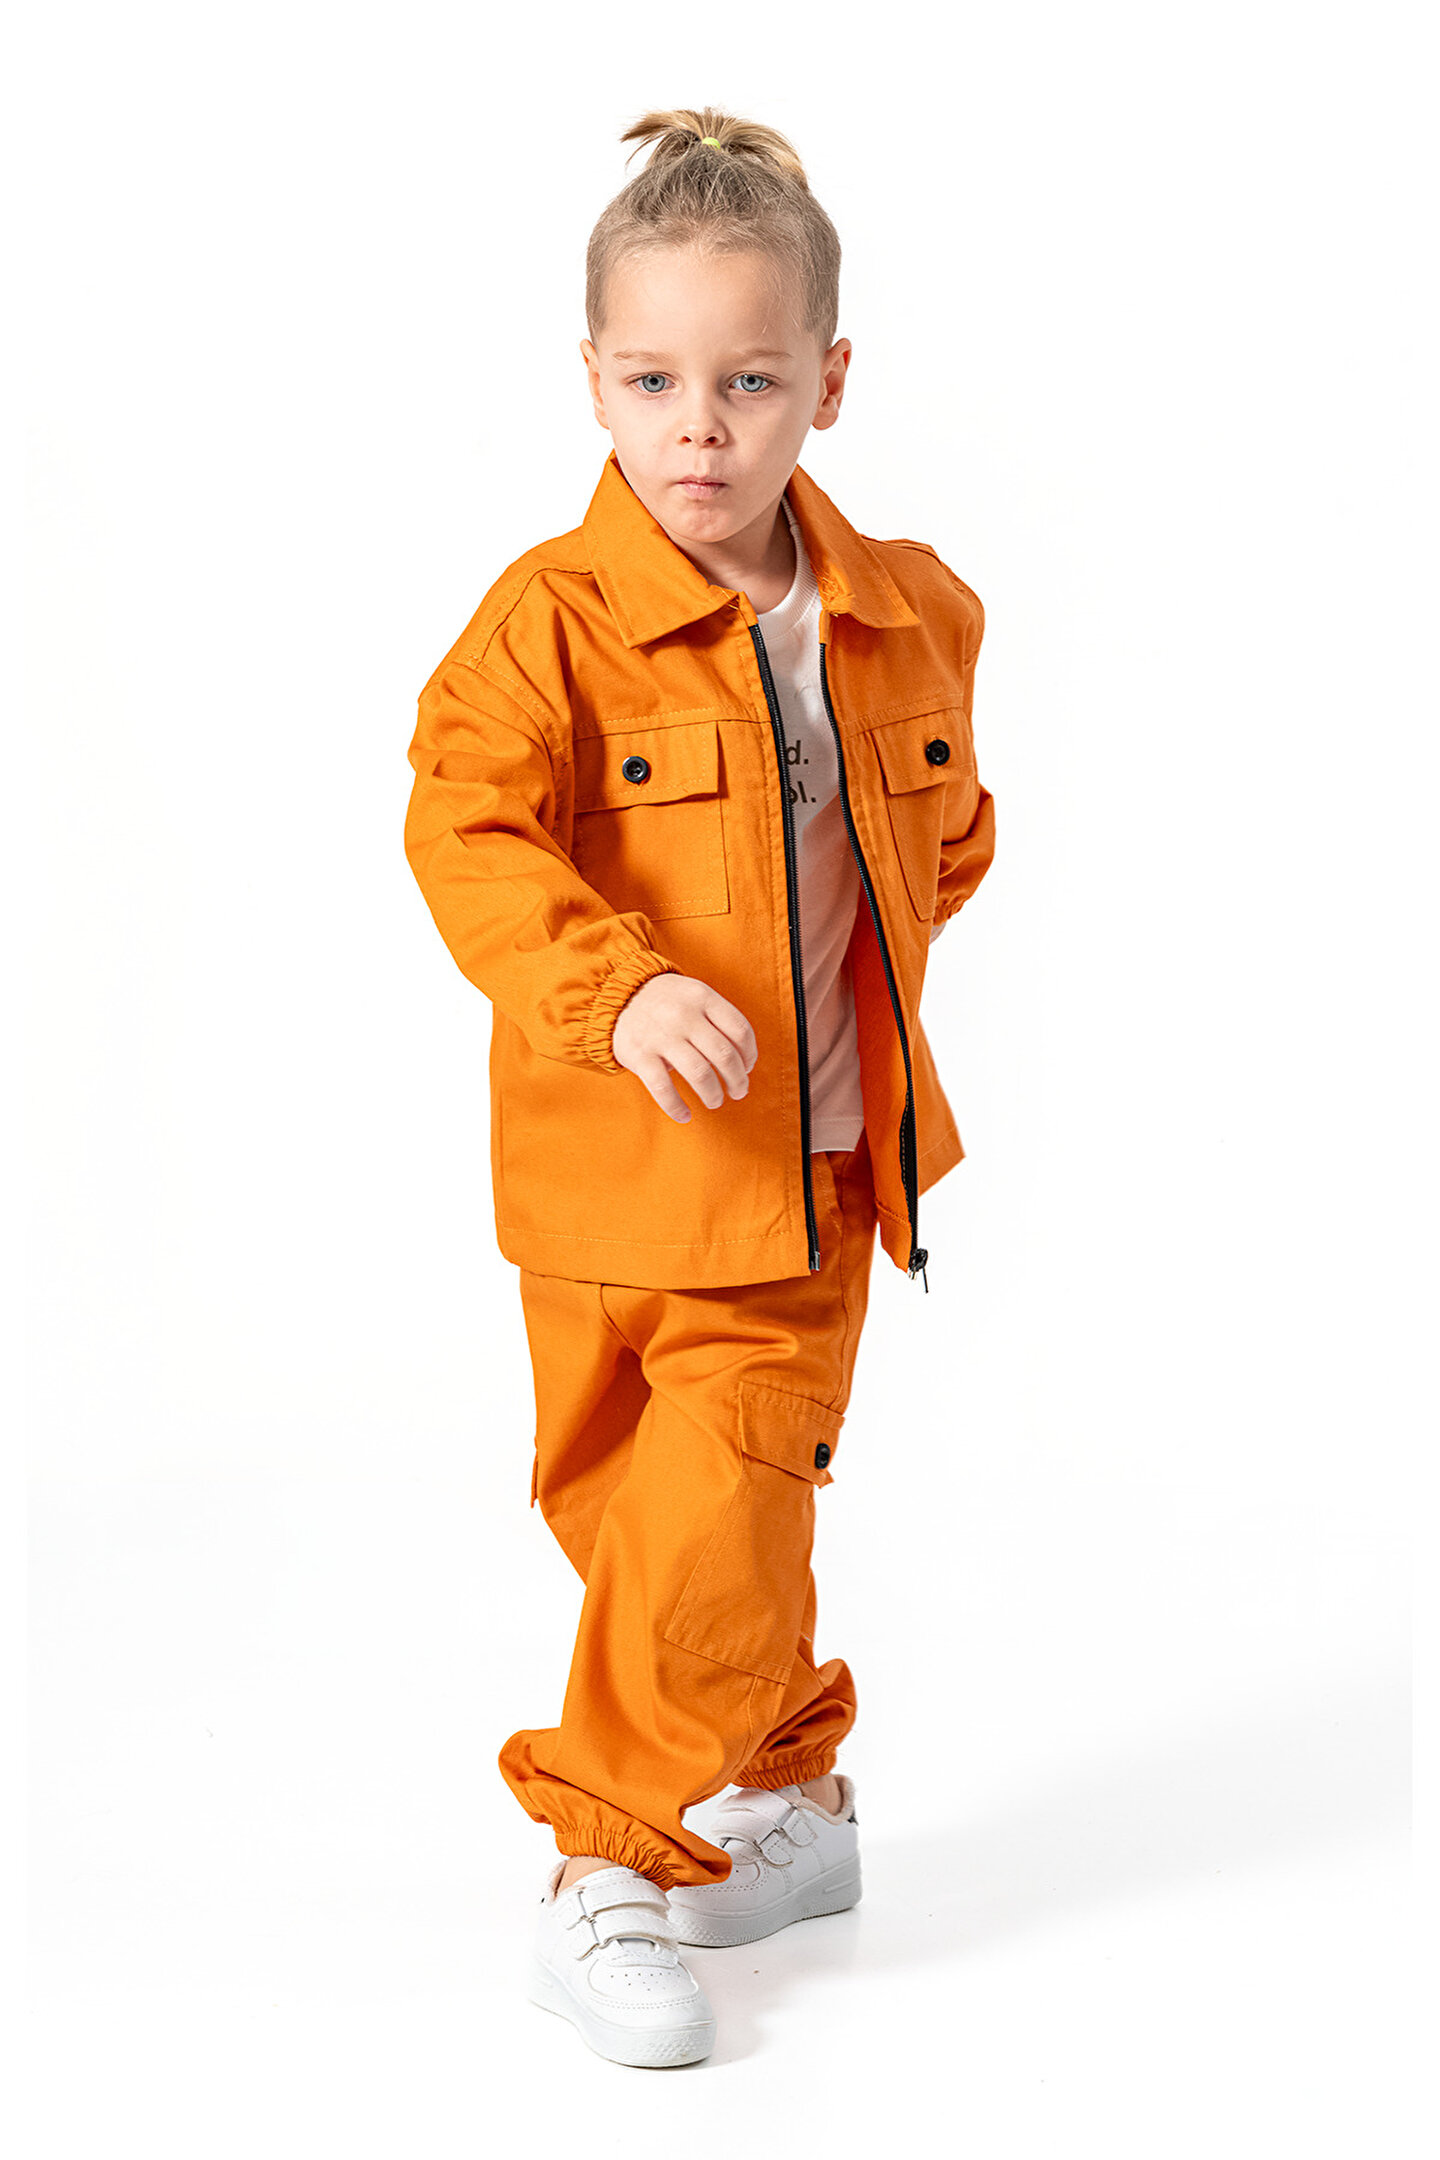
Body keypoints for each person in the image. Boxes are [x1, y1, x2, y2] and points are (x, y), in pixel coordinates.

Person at [403, 105, 996, 2069]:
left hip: (803, 1179)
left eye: (750, 380)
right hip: (598, 1188)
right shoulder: (548, 626)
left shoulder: (910, 614)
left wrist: (847, 1005)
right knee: (629, 1520)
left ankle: (602, 1863)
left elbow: (951, 839)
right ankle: (794, 1797)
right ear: (593, 379)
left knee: (714, 1520)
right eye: (656, 380)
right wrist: (625, 983)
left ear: (829, 379)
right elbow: (468, 838)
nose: (704, 429)